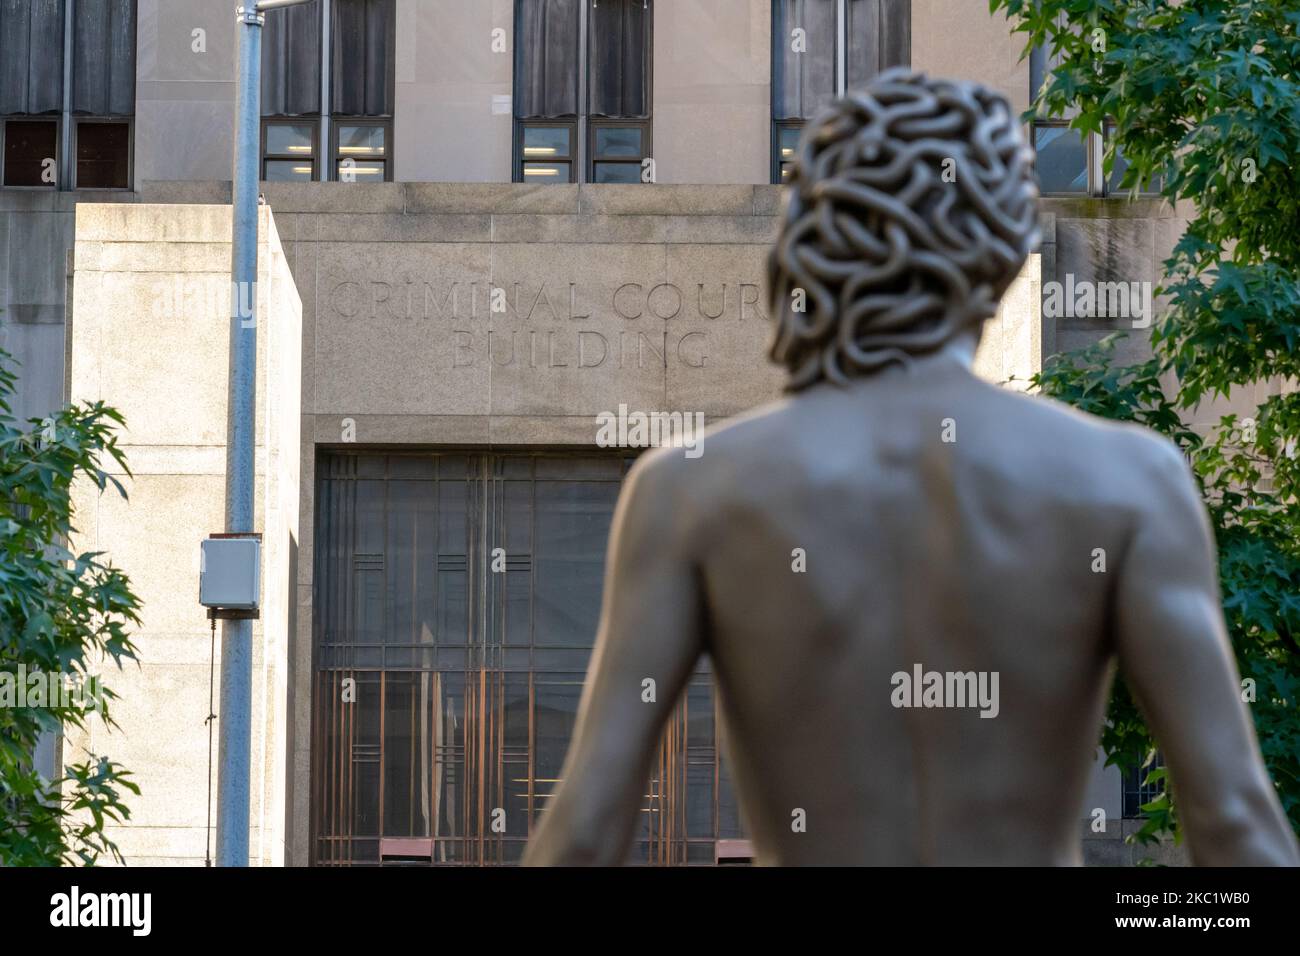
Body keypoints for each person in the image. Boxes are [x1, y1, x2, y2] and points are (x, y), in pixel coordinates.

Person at [522, 70, 1299, 866]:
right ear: (1002, 250)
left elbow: (583, 836)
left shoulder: (688, 490)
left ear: (812, 240)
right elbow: (1237, 828)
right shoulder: (1132, 483)